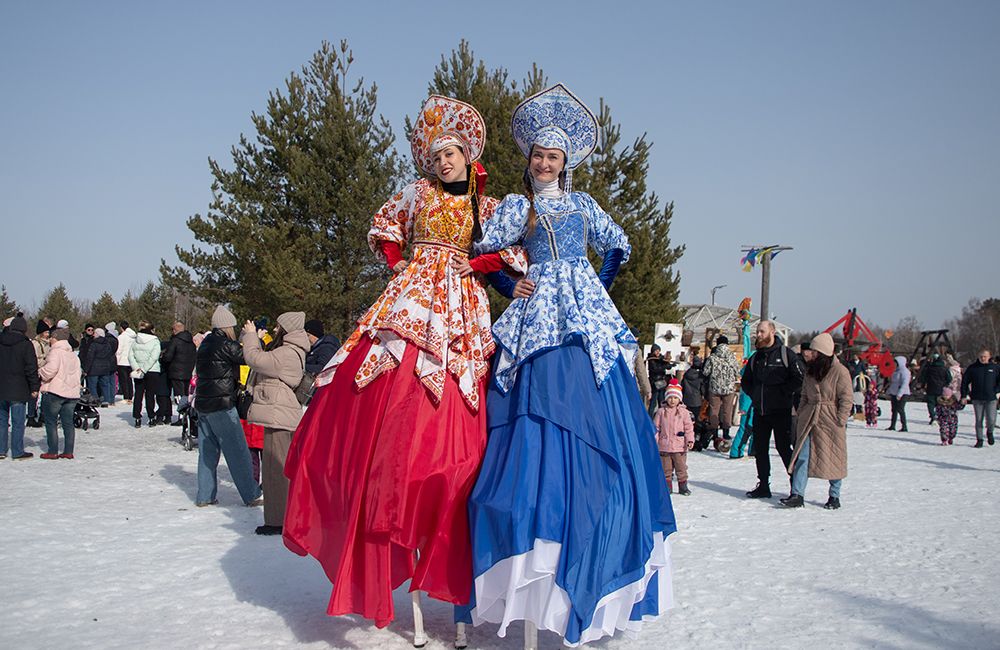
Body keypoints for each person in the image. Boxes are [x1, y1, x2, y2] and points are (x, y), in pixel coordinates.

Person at [282, 95, 524, 632]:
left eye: (450, 154)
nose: (442, 162)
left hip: (463, 308)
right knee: (385, 394)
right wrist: (399, 266)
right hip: (411, 300)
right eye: (435, 156)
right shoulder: (415, 194)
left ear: (467, 154)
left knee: (460, 422)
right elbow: (385, 229)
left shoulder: (488, 205)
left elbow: (511, 255)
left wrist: (478, 262)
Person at [456, 84, 675, 646]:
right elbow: (483, 252)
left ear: (566, 162)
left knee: (592, 401)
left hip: (583, 313)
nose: (546, 163)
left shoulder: (583, 206)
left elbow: (618, 244)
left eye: (554, 157)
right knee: (534, 406)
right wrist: (509, 282)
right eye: (538, 156)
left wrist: (594, 288)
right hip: (535, 315)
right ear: (529, 160)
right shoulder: (517, 207)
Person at [240, 311, 308, 536]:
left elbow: (255, 359)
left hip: (279, 415)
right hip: (281, 413)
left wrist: (251, 337)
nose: (275, 330)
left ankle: (277, 521)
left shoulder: (287, 352)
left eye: (279, 327)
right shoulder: (291, 351)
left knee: (274, 470)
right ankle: (284, 516)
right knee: (278, 468)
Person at [195, 305, 263, 507]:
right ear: (227, 326)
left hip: (203, 403)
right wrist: (253, 337)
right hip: (222, 404)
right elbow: (251, 358)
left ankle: (205, 495)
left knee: (207, 452)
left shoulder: (206, 343)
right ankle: (251, 494)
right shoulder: (225, 344)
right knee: (238, 451)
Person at [782, 333, 851, 510]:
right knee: (803, 456)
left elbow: (846, 398)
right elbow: (804, 394)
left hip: (830, 420)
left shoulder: (840, 372)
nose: (810, 354)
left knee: (833, 457)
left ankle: (834, 495)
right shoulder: (810, 371)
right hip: (809, 418)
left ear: (823, 352)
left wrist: (840, 419)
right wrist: (802, 411)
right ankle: (797, 494)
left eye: (814, 351)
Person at [741, 320, 805, 499]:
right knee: (760, 449)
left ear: (772, 331)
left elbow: (799, 379)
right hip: (760, 411)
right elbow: (746, 381)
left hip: (780, 411)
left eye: (762, 331)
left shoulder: (786, 355)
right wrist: (754, 394)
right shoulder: (756, 358)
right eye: (757, 332)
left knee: (784, 448)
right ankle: (763, 484)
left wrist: (784, 392)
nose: (758, 335)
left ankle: (796, 486)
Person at [38, 327, 82, 459]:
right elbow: (78, 373)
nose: (49, 339)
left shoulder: (56, 352)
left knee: (51, 422)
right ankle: (68, 451)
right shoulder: (73, 354)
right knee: (68, 423)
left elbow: (50, 370)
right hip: (71, 394)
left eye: (51, 337)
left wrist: (40, 372)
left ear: (55, 338)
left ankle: (52, 451)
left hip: (55, 392)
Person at [0, 316, 40, 460]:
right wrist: (35, 387)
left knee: (2, 420)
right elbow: (31, 368)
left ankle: (1, 449)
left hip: (2, 387)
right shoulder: (25, 344)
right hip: (18, 388)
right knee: (17, 422)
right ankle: (17, 451)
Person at [655, 379, 695, 494]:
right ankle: (667, 487)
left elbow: (688, 428)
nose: (673, 400)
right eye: (670, 397)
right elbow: (656, 428)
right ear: (666, 398)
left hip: (679, 446)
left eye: (675, 398)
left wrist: (690, 440)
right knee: (666, 469)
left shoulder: (684, 413)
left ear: (679, 399)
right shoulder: (661, 412)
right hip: (664, 446)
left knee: (681, 468)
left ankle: (683, 486)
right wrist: (655, 441)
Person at [702, 335, 741, 449]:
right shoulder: (731, 356)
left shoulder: (713, 357)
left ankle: (714, 433)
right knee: (727, 410)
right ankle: (726, 432)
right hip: (729, 388)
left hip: (714, 388)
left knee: (714, 410)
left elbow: (705, 372)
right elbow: (737, 371)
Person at [961, 348, 999, 447]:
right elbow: (965, 382)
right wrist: (964, 395)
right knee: (978, 419)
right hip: (977, 398)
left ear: (989, 357)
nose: (983, 358)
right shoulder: (973, 368)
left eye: (985, 356)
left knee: (991, 419)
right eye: (981, 356)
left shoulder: (995, 368)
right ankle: (980, 439)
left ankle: (989, 432)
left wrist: (997, 391)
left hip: (991, 398)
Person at [161, 321, 197, 425]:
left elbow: (168, 357)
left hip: (176, 371)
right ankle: (186, 415)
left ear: (175, 330)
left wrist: (163, 357)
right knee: (186, 395)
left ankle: (182, 417)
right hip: (187, 371)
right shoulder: (191, 342)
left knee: (179, 396)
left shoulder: (175, 341)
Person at [128, 321, 162, 428]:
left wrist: (137, 368)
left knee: (138, 394)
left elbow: (130, 356)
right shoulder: (155, 341)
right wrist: (144, 369)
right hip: (152, 370)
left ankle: (137, 417)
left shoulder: (135, 341)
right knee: (150, 395)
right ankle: (151, 416)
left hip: (138, 371)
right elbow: (154, 357)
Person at [83, 327, 118, 406]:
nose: (93, 335)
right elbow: (110, 355)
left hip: (94, 368)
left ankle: (95, 400)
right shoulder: (107, 344)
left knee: (92, 385)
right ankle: (106, 400)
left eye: (95, 333)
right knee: (105, 384)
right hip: (105, 367)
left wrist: (86, 369)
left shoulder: (94, 344)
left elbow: (90, 357)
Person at [27, 319, 51, 427]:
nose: (48, 334)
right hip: (37, 371)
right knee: (34, 394)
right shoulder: (35, 344)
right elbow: (33, 358)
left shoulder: (48, 344)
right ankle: (31, 416)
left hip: (45, 371)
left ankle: (43, 414)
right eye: (46, 332)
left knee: (46, 393)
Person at [919, 353, 951, 424]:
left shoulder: (929, 368)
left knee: (930, 403)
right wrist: (945, 384)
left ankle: (933, 416)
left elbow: (924, 378)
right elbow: (949, 378)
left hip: (930, 388)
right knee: (940, 403)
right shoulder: (944, 369)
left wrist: (923, 385)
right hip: (941, 389)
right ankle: (940, 417)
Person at [886, 355, 910, 431]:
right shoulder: (896, 371)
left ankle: (904, 426)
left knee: (900, 409)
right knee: (894, 410)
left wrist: (900, 394)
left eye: (896, 363)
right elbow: (893, 383)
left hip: (903, 393)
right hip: (894, 393)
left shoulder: (905, 372)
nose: (895, 364)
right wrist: (889, 391)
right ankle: (892, 426)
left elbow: (904, 383)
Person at [646, 344, 670, 415]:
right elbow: (655, 369)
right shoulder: (651, 359)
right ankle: (649, 417)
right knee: (653, 402)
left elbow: (666, 365)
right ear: (653, 351)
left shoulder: (661, 358)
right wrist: (664, 366)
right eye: (656, 351)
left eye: (658, 350)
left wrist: (668, 365)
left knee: (662, 401)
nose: (657, 352)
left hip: (662, 382)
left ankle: (662, 416)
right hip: (655, 383)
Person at [116, 321, 136, 403]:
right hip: (130, 361)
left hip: (122, 361)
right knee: (129, 380)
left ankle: (126, 396)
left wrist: (117, 357)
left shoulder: (121, 337)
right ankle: (130, 396)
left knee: (123, 380)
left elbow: (119, 350)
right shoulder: (133, 336)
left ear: (121, 328)